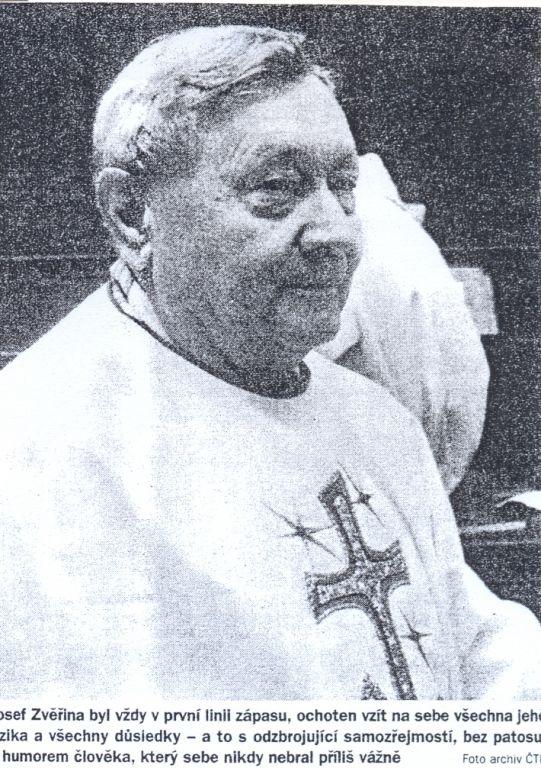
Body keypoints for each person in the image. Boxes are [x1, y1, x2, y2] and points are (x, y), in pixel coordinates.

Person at [0, 25, 538, 700]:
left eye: (343, 185)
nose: (337, 232)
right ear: (133, 213)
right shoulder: (37, 455)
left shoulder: (374, 418)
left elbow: (476, 653)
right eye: (277, 187)